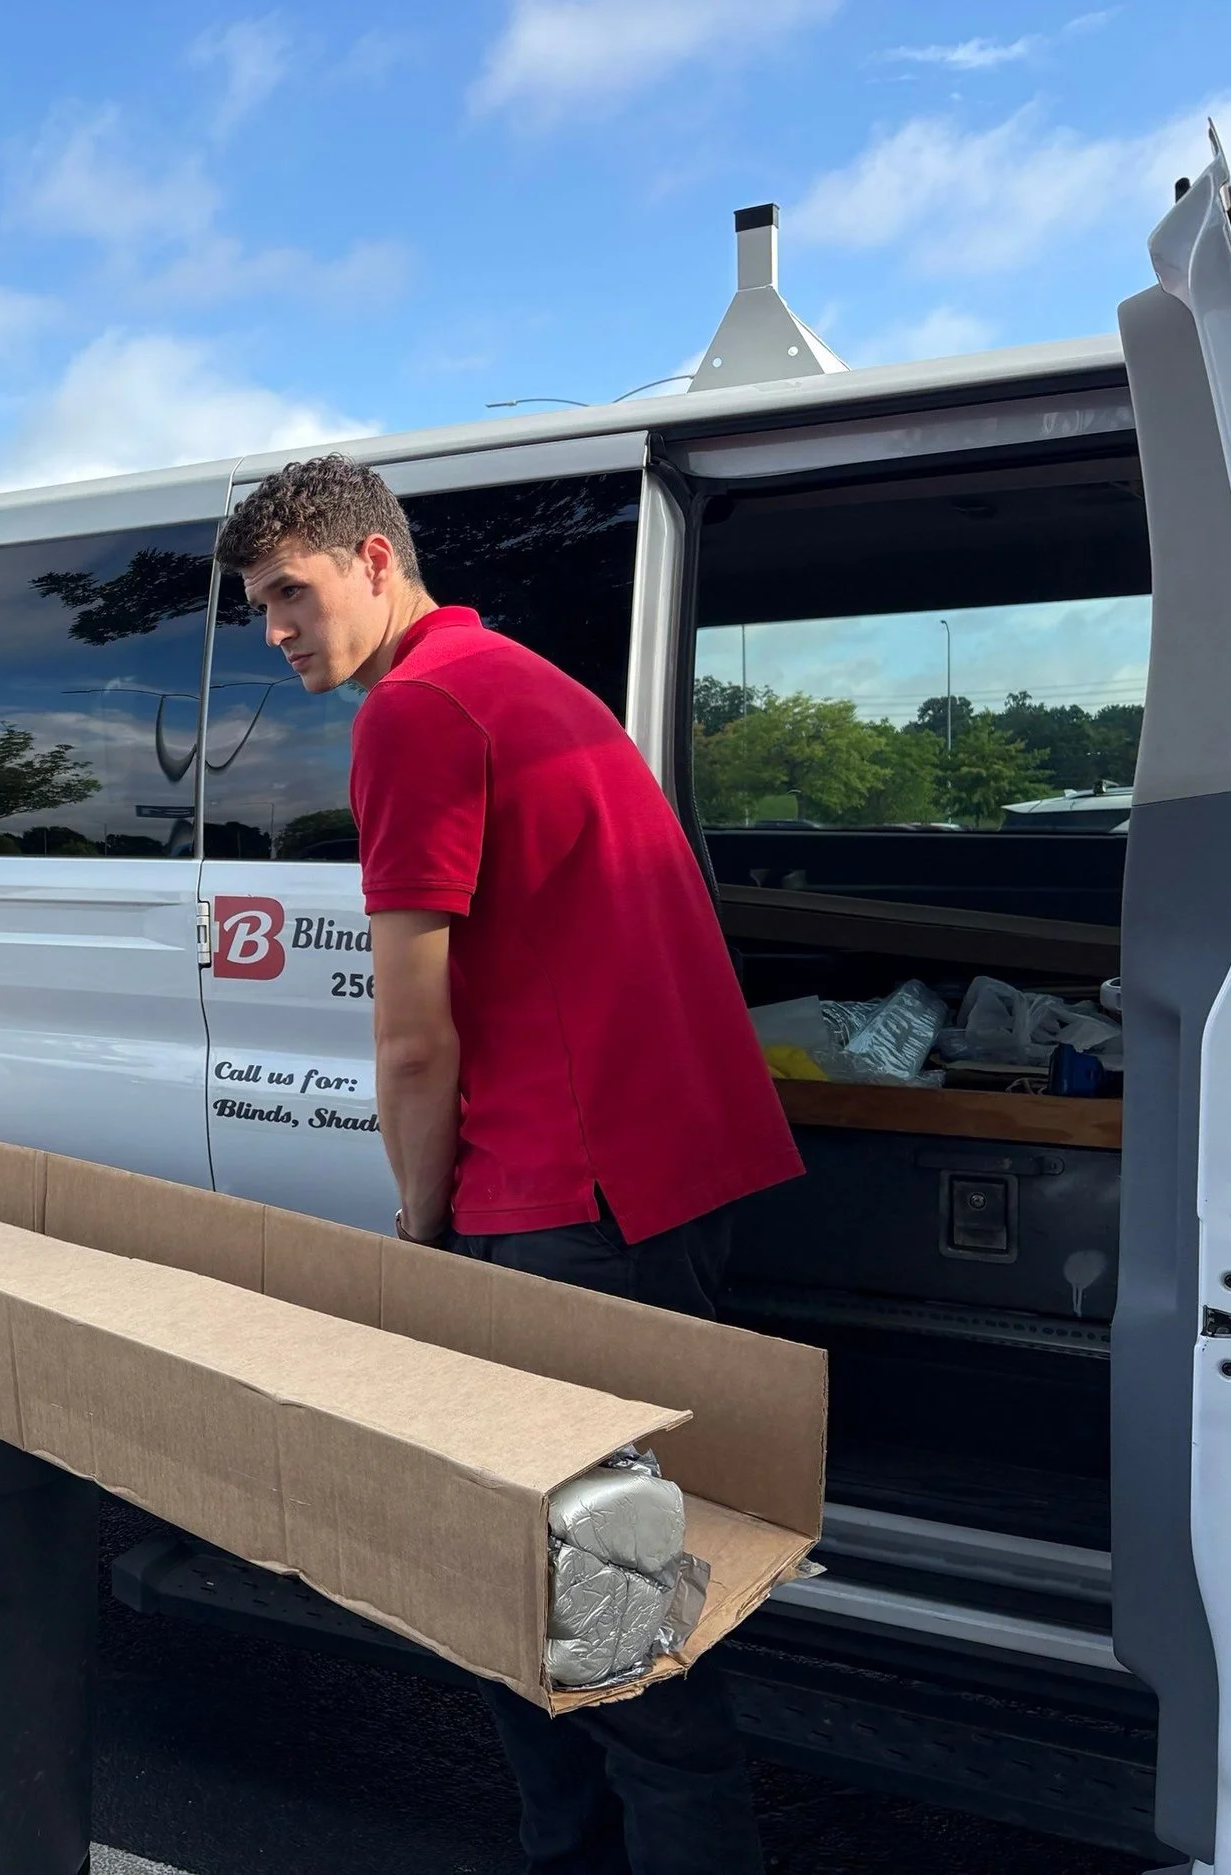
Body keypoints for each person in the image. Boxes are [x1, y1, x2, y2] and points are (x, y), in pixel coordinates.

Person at [216, 454, 803, 1875]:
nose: (278, 629)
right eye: (258, 607)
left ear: (372, 559)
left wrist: (418, 1235)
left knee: (592, 1613)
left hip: (567, 1205)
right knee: (557, 1583)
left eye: (292, 592)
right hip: (669, 1183)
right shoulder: (523, 681)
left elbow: (413, 1039)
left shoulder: (414, 712)